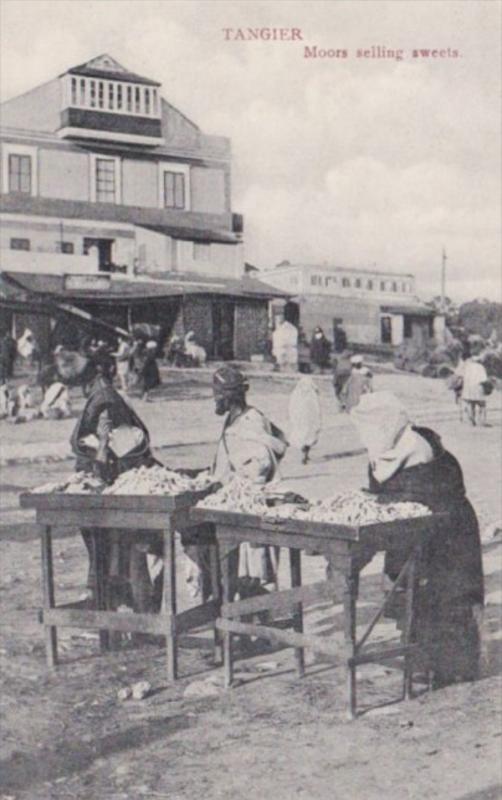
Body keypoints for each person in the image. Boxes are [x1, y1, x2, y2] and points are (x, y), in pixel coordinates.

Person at [351, 391, 484, 689]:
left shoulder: (419, 447)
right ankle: (421, 662)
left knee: (446, 599)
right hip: (412, 532)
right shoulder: (384, 450)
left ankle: (453, 668)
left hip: (448, 534)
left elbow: (424, 494)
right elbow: (383, 491)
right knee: (414, 599)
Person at [183, 366, 288, 600]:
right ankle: (234, 616)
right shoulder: (236, 418)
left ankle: (254, 630)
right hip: (231, 503)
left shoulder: (250, 421)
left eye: (217, 395)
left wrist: (236, 484)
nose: (215, 400)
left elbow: (261, 464)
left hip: (248, 508)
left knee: (251, 577)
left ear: (229, 396)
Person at [70, 354, 161, 613]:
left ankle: (143, 621)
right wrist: (100, 445)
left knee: (136, 562)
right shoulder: (90, 438)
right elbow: (91, 473)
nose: (106, 419)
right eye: (101, 416)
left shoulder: (129, 435)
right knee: (106, 560)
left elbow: (136, 466)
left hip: (131, 517)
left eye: (110, 415)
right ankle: (112, 615)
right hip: (105, 517)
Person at [288, 376, 322, 464]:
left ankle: (303, 453)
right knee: (309, 437)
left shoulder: (296, 393)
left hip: (300, 420)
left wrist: (293, 418)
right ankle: (305, 454)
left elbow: (291, 407)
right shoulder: (312, 394)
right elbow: (317, 408)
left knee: (301, 436)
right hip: (310, 420)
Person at [462, 354, 489, 426]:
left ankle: (471, 422)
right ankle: (482, 422)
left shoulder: (467, 367)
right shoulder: (481, 367)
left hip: (468, 388)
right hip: (478, 387)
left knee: (471, 405)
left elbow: (463, 377)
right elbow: (484, 379)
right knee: (482, 405)